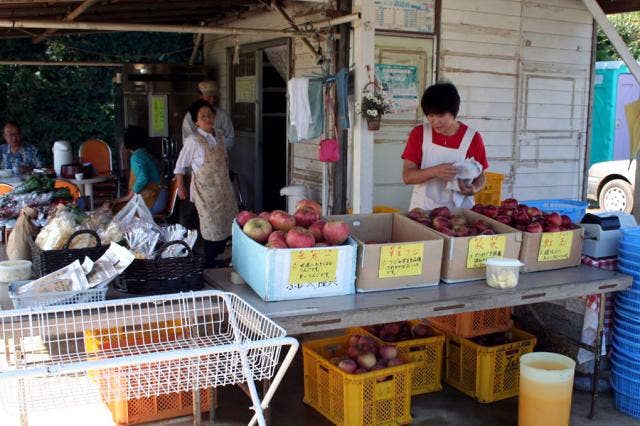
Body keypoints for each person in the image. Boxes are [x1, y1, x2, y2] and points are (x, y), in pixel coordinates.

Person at [402, 82, 489, 210]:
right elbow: (407, 177)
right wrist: (435, 171)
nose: (435, 121)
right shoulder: (419, 134)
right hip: (423, 210)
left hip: (460, 212)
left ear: (453, 113)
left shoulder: (472, 137)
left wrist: (474, 188)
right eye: (431, 115)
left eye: (441, 115)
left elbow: (480, 174)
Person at [174, 99, 238, 268]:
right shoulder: (193, 141)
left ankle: (219, 257)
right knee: (211, 225)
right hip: (205, 190)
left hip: (223, 188)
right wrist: (181, 187)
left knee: (228, 222)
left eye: (210, 115)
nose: (207, 119)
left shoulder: (220, 136)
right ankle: (209, 262)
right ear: (196, 121)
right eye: (203, 117)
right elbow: (180, 165)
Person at [178, 80, 235, 230]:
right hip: (199, 170)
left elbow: (230, 137)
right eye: (207, 96)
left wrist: (216, 146)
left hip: (220, 172)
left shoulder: (221, 116)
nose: (210, 99)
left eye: (213, 97)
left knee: (224, 210)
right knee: (200, 209)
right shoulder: (191, 118)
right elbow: (188, 147)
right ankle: (195, 234)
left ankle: (222, 242)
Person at [114, 125, 164, 213]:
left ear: (127, 143)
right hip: (160, 198)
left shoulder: (137, 156)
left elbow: (143, 177)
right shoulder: (146, 153)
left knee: (116, 210)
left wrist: (129, 196)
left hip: (153, 200)